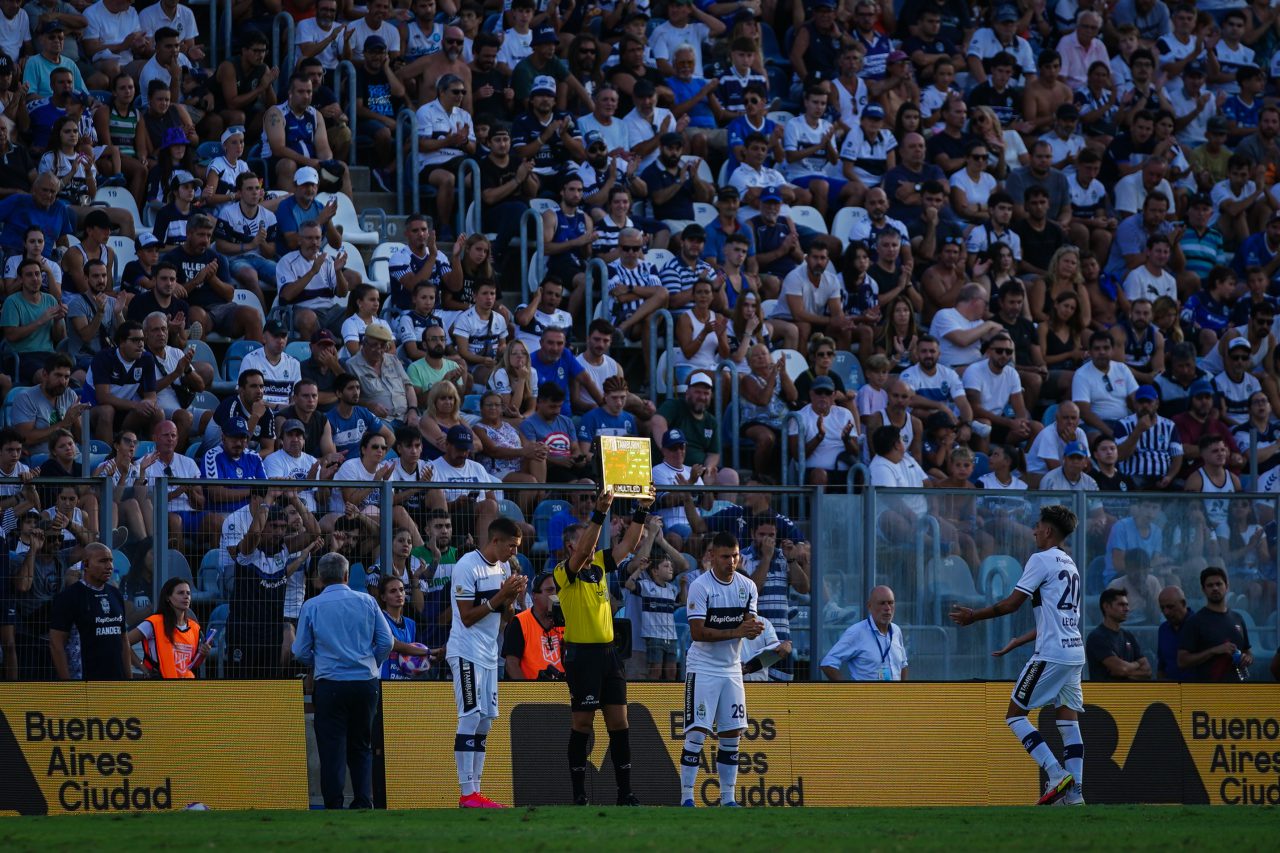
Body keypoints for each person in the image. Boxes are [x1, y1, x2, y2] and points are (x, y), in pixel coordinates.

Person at [950, 504, 1085, 806]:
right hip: (1074, 652)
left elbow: (1011, 604)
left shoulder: (1040, 559)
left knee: (1015, 715)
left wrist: (975, 616)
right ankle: (1076, 796)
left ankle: (1056, 773)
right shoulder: (1070, 564)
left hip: (1051, 653)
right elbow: (1057, 620)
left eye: (1037, 527)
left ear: (1047, 530)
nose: (1034, 532)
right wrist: (1018, 641)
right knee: (1068, 724)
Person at [556, 491, 651, 806]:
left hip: (609, 655)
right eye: (585, 541)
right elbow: (586, 548)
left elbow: (629, 545)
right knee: (583, 724)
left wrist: (641, 511)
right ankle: (579, 794)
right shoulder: (563, 573)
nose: (593, 544)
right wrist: (599, 513)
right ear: (571, 546)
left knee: (619, 723)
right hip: (582, 657)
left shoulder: (599, 563)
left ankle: (626, 793)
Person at [292, 552, 397, 810]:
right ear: (347, 575)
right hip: (365, 683)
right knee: (361, 745)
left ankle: (334, 804)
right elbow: (387, 642)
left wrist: (320, 661)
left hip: (330, 683)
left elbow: (299, 651)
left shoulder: (312, 606)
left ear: (320, 577)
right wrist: (371, 663)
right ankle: (363, 801)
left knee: (331, 748)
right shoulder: (367, 601)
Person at [679, 530, 763, 808]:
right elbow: (698, 632)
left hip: (732, 668)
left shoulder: (747, 586)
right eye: (726, 556)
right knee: (696, 734)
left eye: (735, 556)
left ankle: (728, 799)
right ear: (712, 556)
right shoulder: (700, 586)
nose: (731, 562)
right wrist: (738, 630)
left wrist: (753, 629)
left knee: (732, 735)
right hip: (703, 667)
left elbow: (748, 624)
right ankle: (687, 797)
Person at [447, 516, 527, 808]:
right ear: (495, 540)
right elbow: (467, 617)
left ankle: (476, 790)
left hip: (489, 653)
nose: (514, 552)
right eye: (511, 546)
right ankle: (466, 792)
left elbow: (506, 619)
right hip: (466, 650)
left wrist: (511, 599)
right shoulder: (467, 566)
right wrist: (501, 595)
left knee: (485, 721)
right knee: (469, 716)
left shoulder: (503, 568)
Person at [48, 542, 129, 681]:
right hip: (84, 682)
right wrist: (68, 684)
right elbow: (56, 644)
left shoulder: (115, 594)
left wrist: (129, 679)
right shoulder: (69, 597)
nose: (109, 566)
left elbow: (123, 640)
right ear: (86, 564)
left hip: (116, 682)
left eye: (110, 560)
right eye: (103, 561)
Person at [1177, 566, 1253, 682]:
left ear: (1227, 586)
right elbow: (1182, 661)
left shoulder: (1238, 618)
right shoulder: (1195, 622)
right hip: (1209, 690)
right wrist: (1213, 651)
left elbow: (1247, 650)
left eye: (1219, 584)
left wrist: (1247, 658)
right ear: (1203, 590)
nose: (1215, 588)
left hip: (1237, 689)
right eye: (1210, 585)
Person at [820, 585, 908, 681]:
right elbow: (828, 663)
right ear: (869, 606)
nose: (887, 608)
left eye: (891, 603)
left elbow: (903, 664)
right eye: (882, 603)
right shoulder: (856, 632)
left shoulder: (896, 631)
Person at [129, 576, 207, 679]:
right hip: (160, 684)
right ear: (167, 598)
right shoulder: (154, 622)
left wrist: (203, 654)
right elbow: (123, 642)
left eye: (188, 593)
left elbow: (192, 664)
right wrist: (142, 667)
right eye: (180, 593)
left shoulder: (195, 627)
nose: (186, 596)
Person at [501, 571, 563, 682]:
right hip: (531, 688)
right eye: (549, 590)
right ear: (534, 595)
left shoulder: (563, 620)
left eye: (557, 590)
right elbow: (511, 665)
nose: (555, 595)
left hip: (560, 688)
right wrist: (528, 691)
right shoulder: (519, 622)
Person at [1085, 589, 1152, 681]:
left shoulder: (1128, 636)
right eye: (1121, 605)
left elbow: (1147, 671)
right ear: (1106, 607)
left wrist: (1125, 672)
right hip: (1106, 690)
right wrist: (1136, 664)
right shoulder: (1097, 637)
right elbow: (1121, 669)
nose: (1127, 609)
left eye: (1127, 605)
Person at [1156, 585, 1192, 681]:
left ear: (1183, 603)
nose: (1166, 612)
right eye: (1162, 608)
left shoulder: (1199, 625)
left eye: (1170, 607)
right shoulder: (1163, 630)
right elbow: (1161, 666)